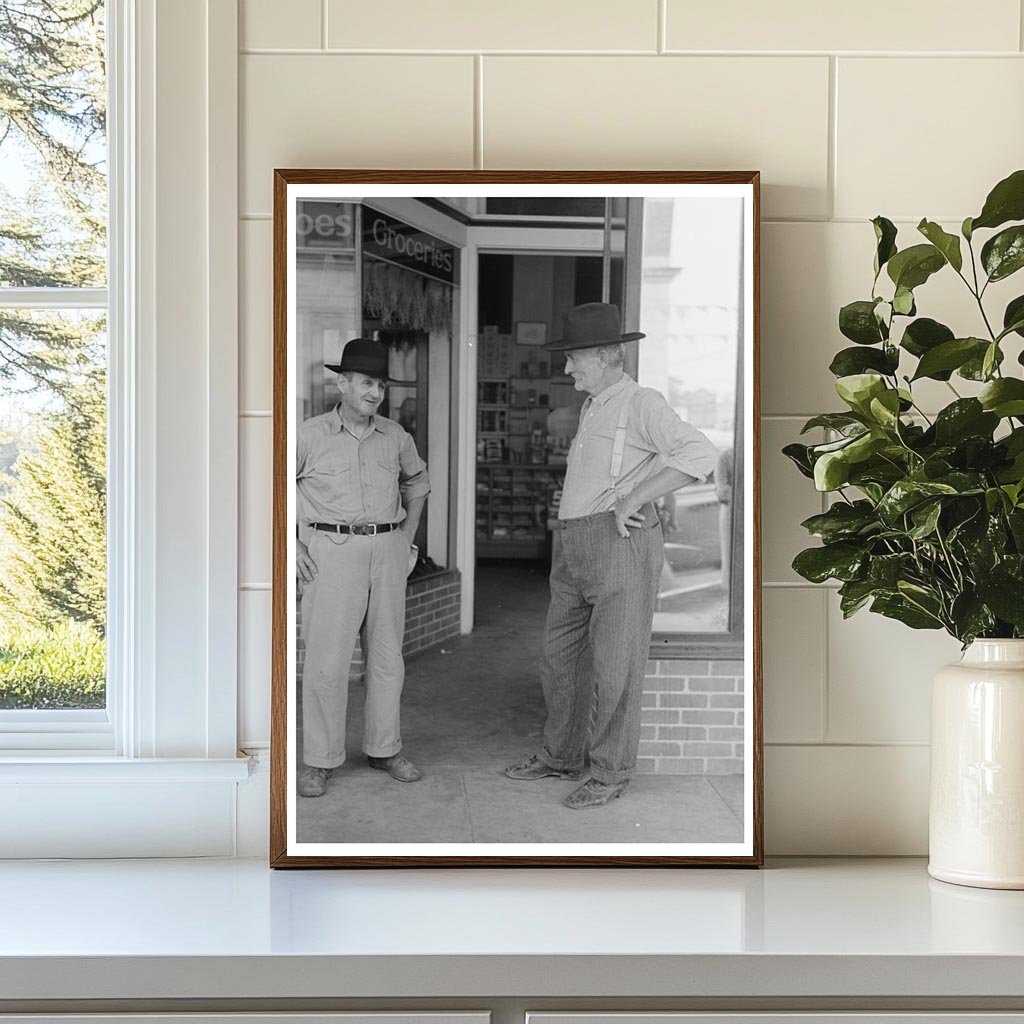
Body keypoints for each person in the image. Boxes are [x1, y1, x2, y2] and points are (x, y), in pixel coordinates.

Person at [505, 303, 718, 810]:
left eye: (573, 358)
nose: (566, 368)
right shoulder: (595, 404)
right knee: (560, 660)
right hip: (575, 544)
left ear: (605, 356)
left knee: (614, 665)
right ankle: (561, 755)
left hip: (618, 542)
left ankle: (610, 772)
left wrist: (634, 499)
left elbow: (700, 454)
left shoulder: (642, 402)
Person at [296, 338, 430, 798]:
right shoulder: (309, 435)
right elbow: (273, 487)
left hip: (387, 552)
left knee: (388, 658)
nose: (376, 393)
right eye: (368, 383)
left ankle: (384, 748)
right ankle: (319, 760)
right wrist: (294, 544)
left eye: (382, 385)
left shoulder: (395, 437)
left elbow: (418, 484)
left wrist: (406, 539)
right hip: (330, 554)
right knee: (326, 663)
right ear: (343, 384)